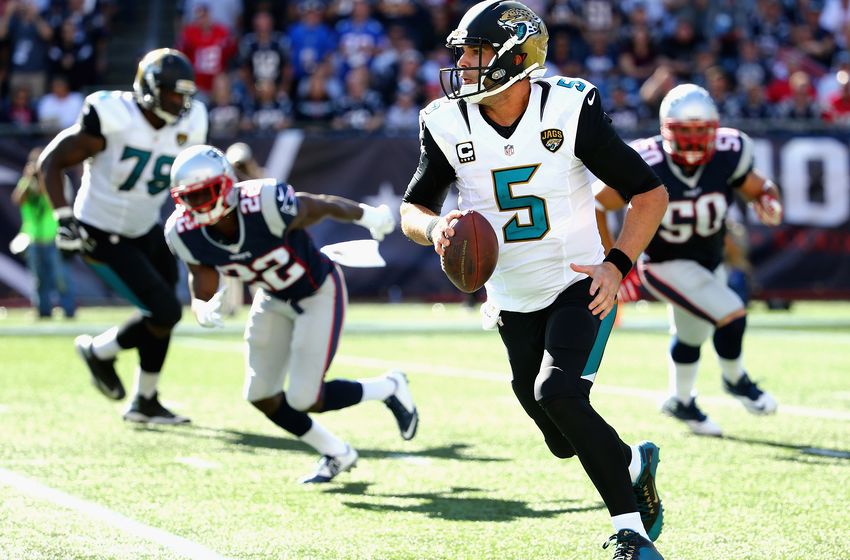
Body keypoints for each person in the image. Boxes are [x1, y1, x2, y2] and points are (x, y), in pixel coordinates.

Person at [398, 2, 669, 558]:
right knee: (557, 434)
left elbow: (649, 194)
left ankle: (632, 535)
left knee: (559, 393)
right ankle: (633, 461)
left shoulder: (569, 108)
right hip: (510, 294)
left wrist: (617, 266)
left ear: (516, 59)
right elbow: (413, 207)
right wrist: (436, 228)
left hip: (578, 281)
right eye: (464, 52)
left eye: (476, 52)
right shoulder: (446, 121)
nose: (464, 63)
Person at [165, 144, 419, 483]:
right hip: (272, 297)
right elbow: (201, 278)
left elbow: (319, 205)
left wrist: (365, 215)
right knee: (260, 394)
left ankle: (388, 387)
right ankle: (336, 452)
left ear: (226, 185)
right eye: (190, 198)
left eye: (205, 194)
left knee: (303, 398)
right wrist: (200, 307)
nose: (199, 206)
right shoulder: (182, 231)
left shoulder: (263, 202)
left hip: (317, 291)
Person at [595, 84, 781, 437]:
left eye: (701, 131)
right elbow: (599, 204)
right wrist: (612, 260)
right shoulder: (647, 160)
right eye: (685, 131)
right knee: (731, 313)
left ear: (714, 129)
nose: (694, 140)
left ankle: (681, 401)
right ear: (666, 130)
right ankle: (736, 379)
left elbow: (759, 188)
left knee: (692, 335)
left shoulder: (730, 151)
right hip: (663, 262)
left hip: (709, 260)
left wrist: (769, 199)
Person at [38, 48, 207, 424]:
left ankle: (145, 400)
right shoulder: (115, 115)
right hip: (100, 229)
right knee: (163, 310)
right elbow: (51, 162)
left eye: (185, 94)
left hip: (145, 227)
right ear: (148, 89)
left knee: (165, 312)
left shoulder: (192, 121)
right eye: (171, 93)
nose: (180, 103)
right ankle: (99, 350)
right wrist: (63, 217)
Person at [11, 146, 76, 319]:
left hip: (54, 236)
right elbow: (18, 199)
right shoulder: (26, 182)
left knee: (61, 278)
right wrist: (27, 179)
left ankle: (68, 310)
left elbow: (54, 200)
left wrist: (42, 178)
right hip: (33, 238)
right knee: (38, 279)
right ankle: (43, 311)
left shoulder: (56, 179)